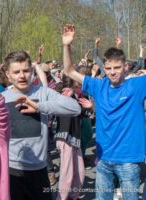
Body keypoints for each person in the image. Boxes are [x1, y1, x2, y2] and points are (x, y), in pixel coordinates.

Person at [62, 24, 146, 200]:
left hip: (129, 161)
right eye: (108, 68)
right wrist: (66, 45)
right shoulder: (98, 86)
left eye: (117, 67)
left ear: (125, 67)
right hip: (103, 160)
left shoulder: (137, 85)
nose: (112, 72)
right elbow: (69, 70)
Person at [1, 51, 81, 200]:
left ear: (31, 71)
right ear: (8, 74)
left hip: (39, 169)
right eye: (16, 72)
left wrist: (39, 107)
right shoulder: (2, 99)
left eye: (25, 71)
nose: (22, 76)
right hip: (11, 170)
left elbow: (75, 108)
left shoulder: (43, 93)